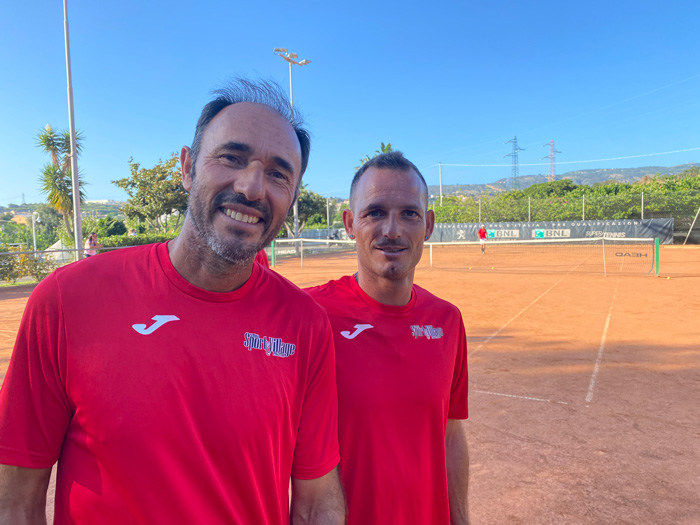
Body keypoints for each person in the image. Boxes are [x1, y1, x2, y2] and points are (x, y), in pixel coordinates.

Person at [0, 79, 344, 524]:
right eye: (231, 157)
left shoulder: (305, 325)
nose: (252, 187)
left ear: (292, 196)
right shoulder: (66, 299)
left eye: (279, 174)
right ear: (187, 167)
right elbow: (14, 499)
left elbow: (317, 503)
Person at [306, 151, 470, 524]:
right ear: (350, 223)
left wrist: (461, 519)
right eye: (375, 213)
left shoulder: (447, 321)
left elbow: (450, 435)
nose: (392, 230)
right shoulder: (308, 315)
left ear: (428, 225)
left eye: (409, 214)